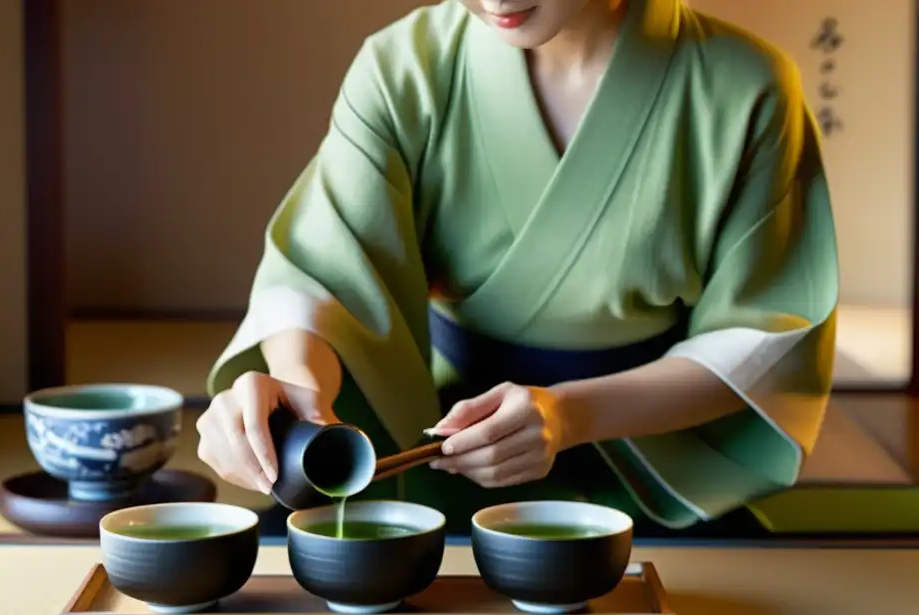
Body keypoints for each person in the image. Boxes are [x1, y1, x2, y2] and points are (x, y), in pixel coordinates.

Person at [196, 0, 838, 536]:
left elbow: (763, 339)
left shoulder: (745, 85)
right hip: (439, 453)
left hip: (655, 467)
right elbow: (323, 272)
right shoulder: (404, 68)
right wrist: (298, 390)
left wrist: (570, 415)